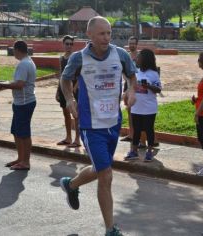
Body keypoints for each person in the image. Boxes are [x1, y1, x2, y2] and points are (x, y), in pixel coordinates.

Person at [59, 16, 136, 236]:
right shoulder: (79, 58)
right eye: (101, 34)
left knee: (99, 168)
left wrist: (131, 90)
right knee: (106, 175)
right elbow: (65, 80)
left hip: (113, 123)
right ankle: (110, 229)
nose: (106, 38)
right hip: (90, 126)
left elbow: (132, 75)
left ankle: (71, 185)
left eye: (109, 33)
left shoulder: (120, 54)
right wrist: (69, 99)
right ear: (90, 35)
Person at [0, 41, 37, 170]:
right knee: (16, 132)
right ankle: (21, 158)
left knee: (23, 133)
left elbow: (20, 85)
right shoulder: (27, 62)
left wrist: (2, 85)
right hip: (22, 102)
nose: (13, 52)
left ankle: (26, 162)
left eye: (13, 50)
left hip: (24, 103)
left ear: (18, 50)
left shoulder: (24, 64)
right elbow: (18, 82)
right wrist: (4, 84)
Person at [124, 48, 161, 162]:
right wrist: (127, 95)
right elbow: (130, 86)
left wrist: (148, 86)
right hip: (136, 107)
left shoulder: (153, 74)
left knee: (149, 130)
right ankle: (134, 151)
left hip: (149, 108)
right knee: (136, 130)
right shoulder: (135, 72)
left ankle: (149, 152)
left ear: (145, 59)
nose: (136, 59)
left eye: (139, 57)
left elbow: (158, 89)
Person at [55, 35, 81, 147]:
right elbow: (61, 76)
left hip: (75, 89)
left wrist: (74, 88)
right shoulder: (61, 58)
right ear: (63, 44)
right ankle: (68, 137)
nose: (69, 46)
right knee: (65, 114)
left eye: (71, 44)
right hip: (63, 89)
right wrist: (58, 90)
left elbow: (81, 74)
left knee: (76, 115)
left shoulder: (76, 58)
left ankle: (77, 139)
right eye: (67, 44)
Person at [121, 36, 138, 142]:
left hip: (137, 85)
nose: (131, 45)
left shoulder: (140, 56)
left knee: (138, 111)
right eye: (130, 43)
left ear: (137, 44)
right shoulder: (125, 56)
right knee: (129, 110)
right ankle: (131, 134)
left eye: (133, 43)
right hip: (126, 84)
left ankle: (139, 135)